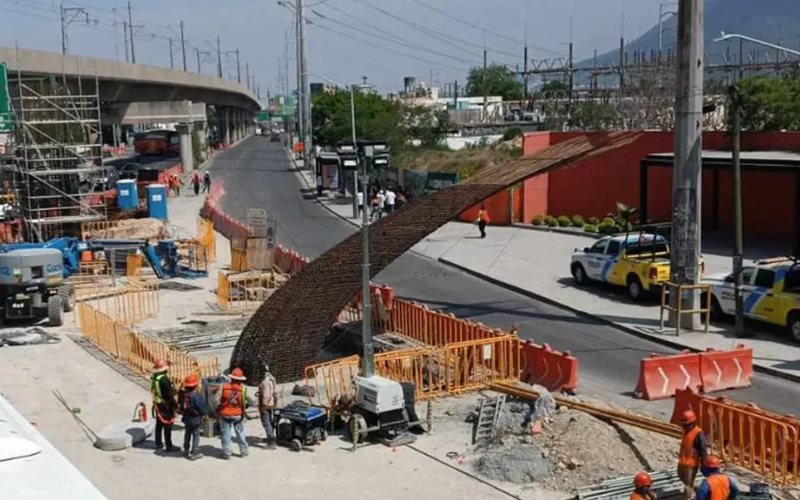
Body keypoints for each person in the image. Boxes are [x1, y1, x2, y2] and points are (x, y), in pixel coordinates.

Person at [218, 367, 249, 459]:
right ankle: (243, 451)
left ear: (231, 378)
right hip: (237, 415)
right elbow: (247, 402)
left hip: (224, 414)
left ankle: (226, 453)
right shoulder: (243, 390)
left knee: (225, 434)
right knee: (240, 433)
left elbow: (217, 400)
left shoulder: (223, 387)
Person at [150, 359, 180, 453]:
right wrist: (175, 405)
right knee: (167, 425)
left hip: (158, 403)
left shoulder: (156, 377)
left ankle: (158, 442)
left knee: (159, 423)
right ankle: (169, 445)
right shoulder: (164, 380)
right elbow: (169, 395)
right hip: (165, 404)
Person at [678, 410, 708, 500]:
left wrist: (703, 462)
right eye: (683, 424)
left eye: (686, 424)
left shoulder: (698, 433)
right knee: (681, 476)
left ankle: (688, 497)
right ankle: (693, 489)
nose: (684, 426)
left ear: (692, 423)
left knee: (688, 483)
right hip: (683, 460)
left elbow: (703, 449)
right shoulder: (685, 430)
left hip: (691, 463)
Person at [178, 374, 210, 460]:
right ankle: (194, 452)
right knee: (196, 435)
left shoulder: (183, 395)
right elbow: (202, 407)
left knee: (187, 434)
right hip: (195, 419)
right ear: (195, 385)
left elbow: (181, 406)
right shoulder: (196, 396)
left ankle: (186, 450)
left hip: (186, 417)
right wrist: (206, 414)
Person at [257, 363, 277, 449]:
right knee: (270, 421)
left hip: (266, 404)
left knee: (266, 422)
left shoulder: (265, 382)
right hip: (272, 403)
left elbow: (266, 395)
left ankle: (271, 442)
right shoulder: (272, 379)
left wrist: (263, 406)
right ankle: (270, 436)